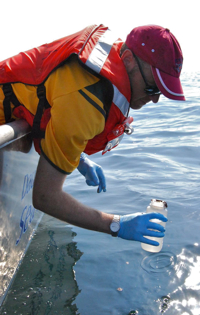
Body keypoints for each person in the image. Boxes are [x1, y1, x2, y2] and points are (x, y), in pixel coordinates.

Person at [0, 24, 185, 244]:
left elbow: (58, 101)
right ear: (127, 59)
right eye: (153, 88)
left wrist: (79, 157)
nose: (154, 100)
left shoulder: (104, 69)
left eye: (162, 93)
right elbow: (45, 197)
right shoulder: (86, 101)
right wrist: (117, 224)